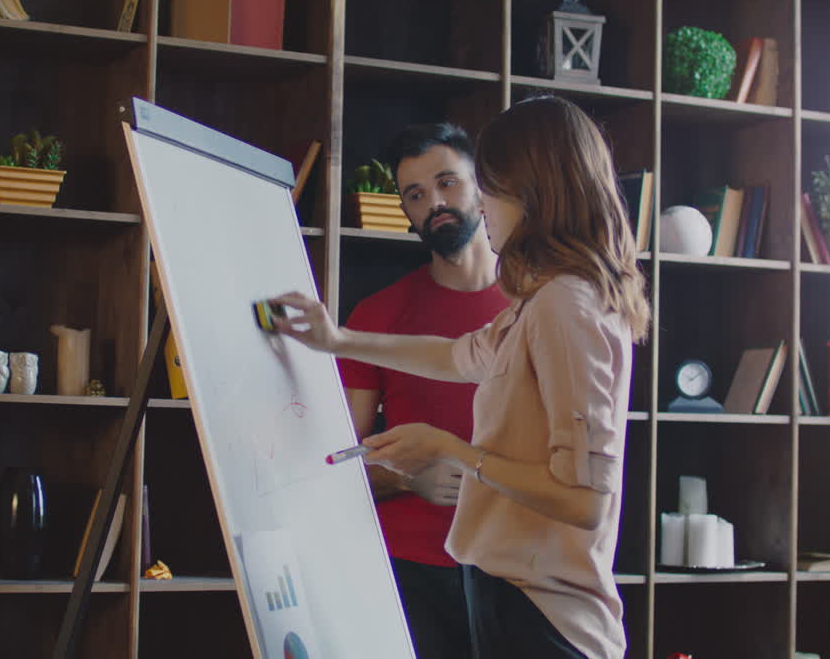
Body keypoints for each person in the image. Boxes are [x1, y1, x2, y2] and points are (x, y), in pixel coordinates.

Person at [272, 95, 649, 659]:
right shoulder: (542, 300)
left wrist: (453, 451)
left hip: (543, 614)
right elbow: (456, 357)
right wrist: (337, 340)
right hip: (513, 596)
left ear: (531, 191)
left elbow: (585, 501)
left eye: (486, 188)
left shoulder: (564, 303)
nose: (486, 207)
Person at [339, 123, 508, 659]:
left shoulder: (539, 308)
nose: (434, 202)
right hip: (407, 573)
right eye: (415, 194)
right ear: (406, 211)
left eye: (447, 183)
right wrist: (408, 476)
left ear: (481, 186)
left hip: (519, 567)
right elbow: (332, 461)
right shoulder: (377, 316)